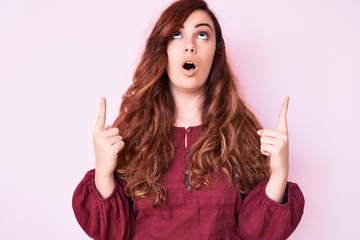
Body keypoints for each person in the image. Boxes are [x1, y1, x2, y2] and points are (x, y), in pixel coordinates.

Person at [72, 0, 305, 239]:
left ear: (216, 52)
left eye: (202, 35)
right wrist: (103, 172)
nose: (190, 46)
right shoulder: (132, 133)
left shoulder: (242, 132)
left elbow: (253, 234)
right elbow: (115, 232)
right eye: (176, 34)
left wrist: (279, 175)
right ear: (162, 49)